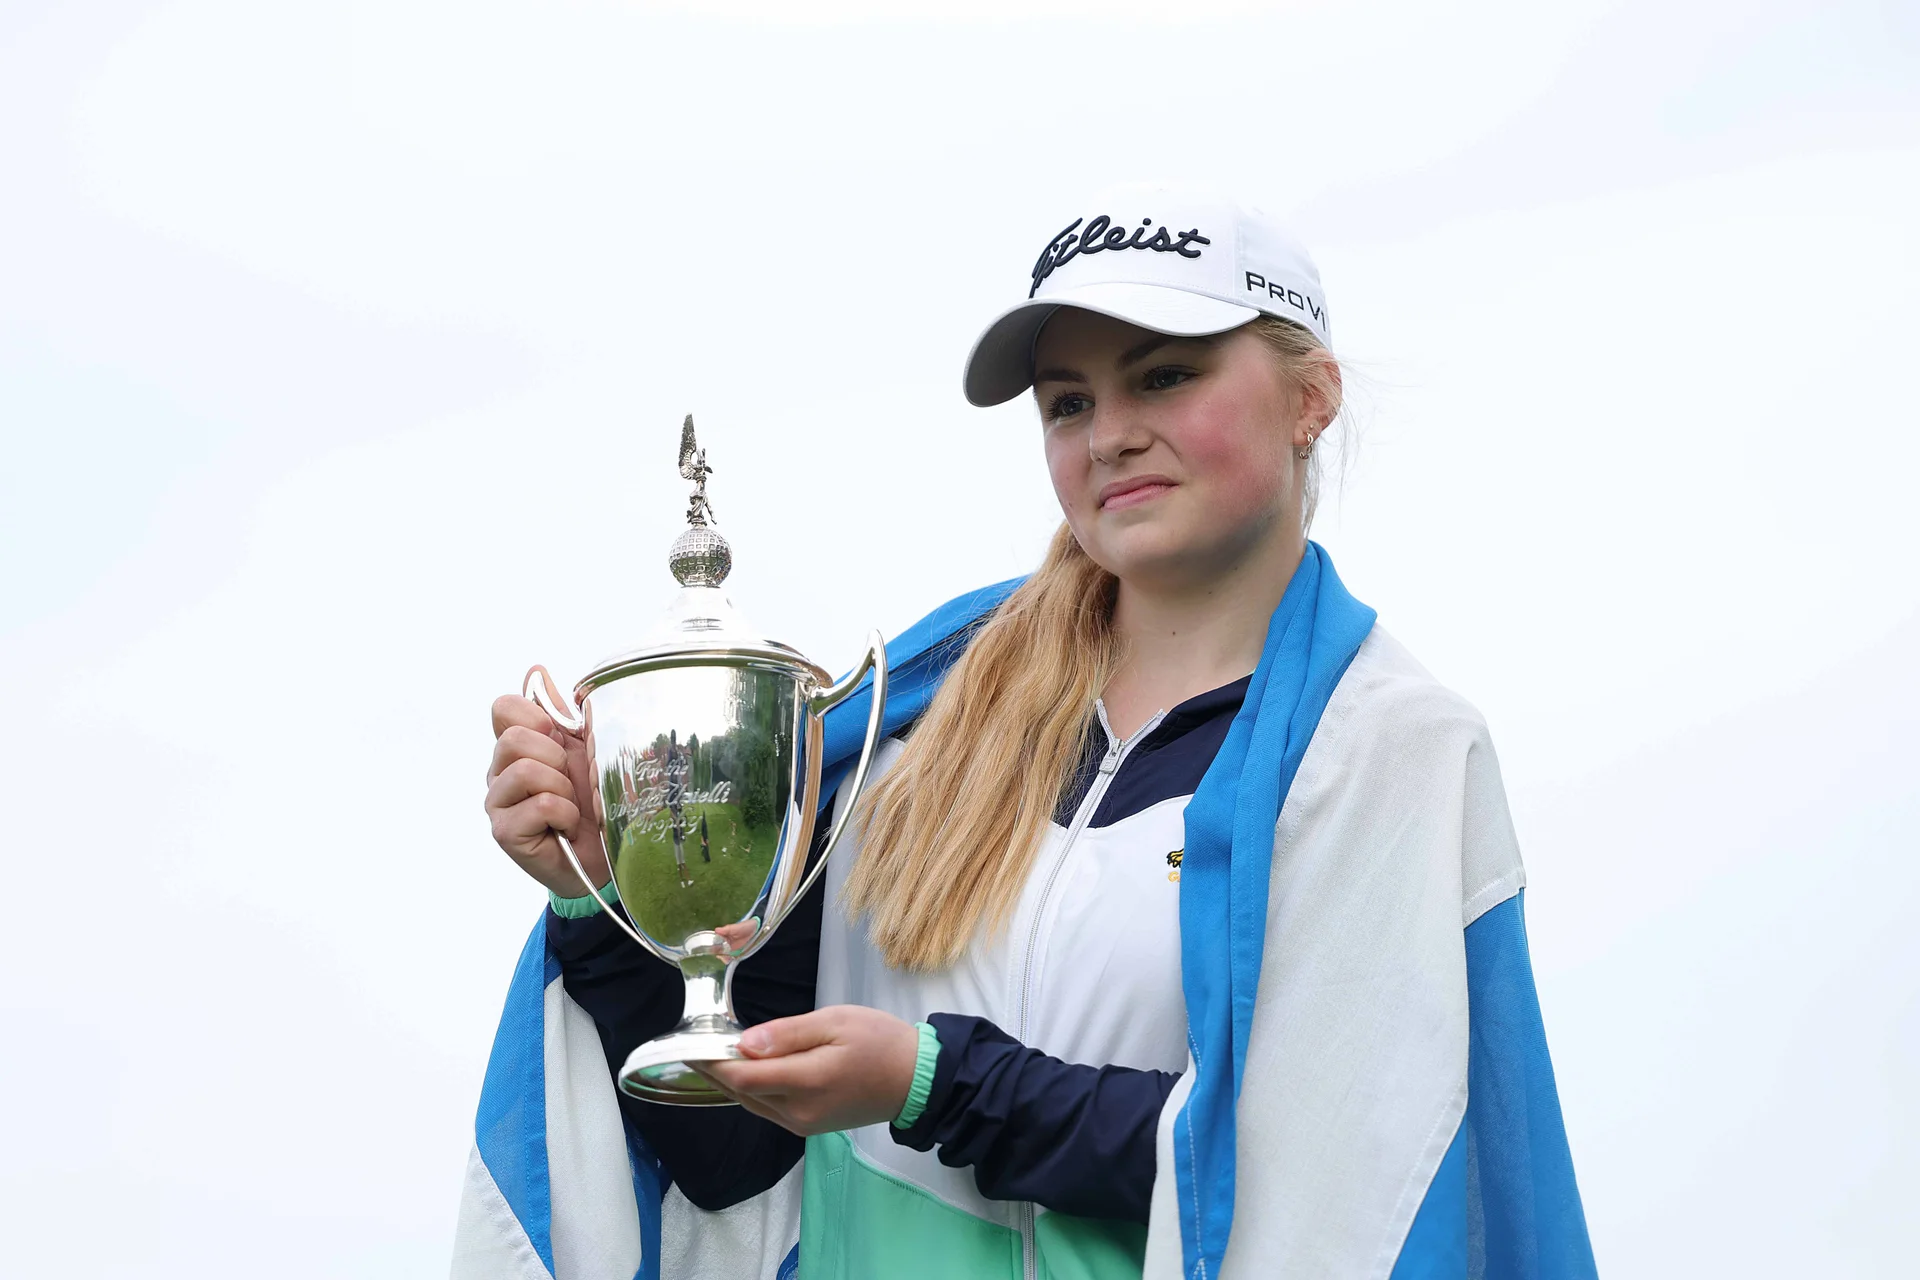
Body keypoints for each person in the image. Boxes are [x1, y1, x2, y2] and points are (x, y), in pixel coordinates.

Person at [462, 184, 1597, 1280]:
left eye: (1164, 375)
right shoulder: (919, 726)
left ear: (1311, 397)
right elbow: (736, 1166)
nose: (1110, 435)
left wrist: (932, 1084)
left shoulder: (1389, 754)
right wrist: (609, 893)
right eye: (1068, 402)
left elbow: (1325, 1184)